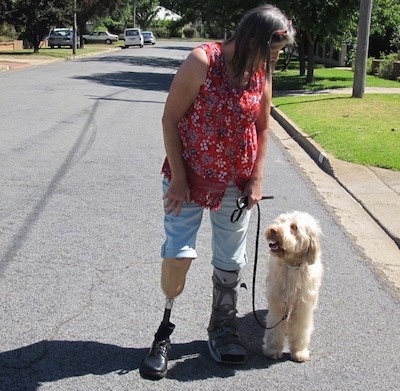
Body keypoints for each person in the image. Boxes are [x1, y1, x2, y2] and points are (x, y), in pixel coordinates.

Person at [140, 4, 295, 380]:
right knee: (178, 255)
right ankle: (164, 332)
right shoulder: (202, 61)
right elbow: (170, 119)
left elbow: (261, 128)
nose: (276, 58)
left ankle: (223, 327)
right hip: (188, 179)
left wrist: (256, 178)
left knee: (230, 258)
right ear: (254, 40)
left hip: (235, 183)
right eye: (274, 50)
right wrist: (178, 176)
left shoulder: (261, 72)